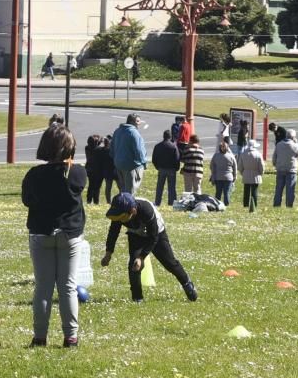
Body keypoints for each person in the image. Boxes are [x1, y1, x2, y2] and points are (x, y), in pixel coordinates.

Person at [21, 125, 87, 347]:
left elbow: (27, 200)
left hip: (41, 232)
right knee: (68, 286)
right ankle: (71, 336)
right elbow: (79, 185)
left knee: (43, 286)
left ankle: (40, 336)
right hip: (70, 233)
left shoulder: (34, 174)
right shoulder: (76, 172)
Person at [101, 193, 197, 303]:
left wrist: (142, 257)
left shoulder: (146, 210)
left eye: (123, 217)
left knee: (169, 263)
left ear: (133, 211)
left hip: (156, 234)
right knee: (134, 265)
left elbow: (153, 237)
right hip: (136, 234)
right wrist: (108, 253)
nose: (121, 221)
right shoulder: (119, 211)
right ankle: (137, 298)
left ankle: (186, 283)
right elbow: (113, 232)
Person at [110, 113, 147, 195]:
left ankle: (122, 204)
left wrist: (116, 159)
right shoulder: (134, 133)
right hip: (131, 166)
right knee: (130, 191)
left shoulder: (117, 131)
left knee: (122, 189)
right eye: (137, 121)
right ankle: (128, 206)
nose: (139, 124)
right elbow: (139, 150)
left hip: (118, 164)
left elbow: (112, 149)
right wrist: (143, 163)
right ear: (131, 121)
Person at [272, 127, 298, 208]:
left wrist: (275, 164)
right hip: (291, 170)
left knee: (279, 189)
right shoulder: (294, 145)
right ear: (293, 137)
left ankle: (277, 204)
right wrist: (297, 143)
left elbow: (274, 157)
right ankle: (289, 205)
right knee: (290, 190)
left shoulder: (279, 144)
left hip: (280, 169)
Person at [151, 130, 180, 206]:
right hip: (171, 169)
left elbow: (154, 159)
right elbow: (177, 159)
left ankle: (157, 202)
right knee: (171, 187)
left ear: (163, 136)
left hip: (161, 168)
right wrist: (176, 168)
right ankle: (172, 202)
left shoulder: (158, 146)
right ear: (170, 137)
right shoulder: (174, 146)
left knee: (159, 186)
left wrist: (157, 167)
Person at [237, 139, 265, 211]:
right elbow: (261, 166)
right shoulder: (258, 154)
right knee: (254, 191)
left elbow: (240, 166)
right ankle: (254, 204)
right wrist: (261, 173)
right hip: (256, 174)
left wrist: (243, 173)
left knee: (246, 191)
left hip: (246, 174)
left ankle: (245, 204)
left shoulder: (243, 154)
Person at [210, 139, 238, 206]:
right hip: (228, 177)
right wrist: (234, 176)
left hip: (218, 177)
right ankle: (226, 204)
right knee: (226, 192)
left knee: (218, 192)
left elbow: (211, 166)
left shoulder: (216, 155)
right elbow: (235, 167)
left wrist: (213, 175)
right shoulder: (231, 156)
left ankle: (217, 204)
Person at [85, 135, 104, 205]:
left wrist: (98, 141)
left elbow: (94, 146)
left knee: (91, 185)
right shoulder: (99, 150)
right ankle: (96, 201)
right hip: (98, 171)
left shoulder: (87, 148)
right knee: (97, 187)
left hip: (89, 170)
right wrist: (100, 141)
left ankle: (89, 200)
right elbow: (98, 148)